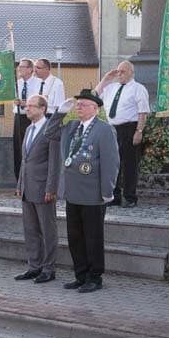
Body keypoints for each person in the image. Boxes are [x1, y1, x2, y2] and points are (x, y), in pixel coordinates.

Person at [44, 89, 120, 294]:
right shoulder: (71, 126)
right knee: (75, 237)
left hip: (93, 193)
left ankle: (94, 277)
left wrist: (107, 190)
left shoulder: (104, 130)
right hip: (72, 192)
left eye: (83, 104)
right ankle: (80, 275)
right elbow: (49, 133)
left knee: (92, 238)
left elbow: (111, 162)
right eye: (77, 104)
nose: (79, 107)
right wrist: (60, 113)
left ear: (94, 108)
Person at [14, 94, 61, 284]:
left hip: (43, 189)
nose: (27, 108)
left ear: (43, 108)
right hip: (27, 188)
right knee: (31, 230)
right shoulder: (28, 129)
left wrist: (51, 188)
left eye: (32, 106)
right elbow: (25, 161)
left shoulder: (51, 129)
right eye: (27, 106)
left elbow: (54, 162)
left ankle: (49, 269)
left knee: (47, 230)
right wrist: (20, 184)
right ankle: (34, 266)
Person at [96, 61, 150, 208]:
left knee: (129, 164)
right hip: (112, 128)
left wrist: (139, 131)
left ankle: (130, 197)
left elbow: (143, 112)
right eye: (118, 71)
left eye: (123, 71)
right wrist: (105, 79)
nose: (119, 74)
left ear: (132, 72)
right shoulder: (111, 88)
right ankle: (115, 196)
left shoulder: (138, 89)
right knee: (113, 163)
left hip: (129, 128)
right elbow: (94, 96)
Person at [12, 58, 37, 179]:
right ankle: (19, 179)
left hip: (31, 118)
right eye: (19, 66)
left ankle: (30, 177)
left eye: (22, 67)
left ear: (30, 69)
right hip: (18, 117)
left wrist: (25, 103)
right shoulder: (17, 83)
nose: (19, 69)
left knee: (29, 147)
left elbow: (38, 102)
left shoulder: (38, 83)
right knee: (18, 148)